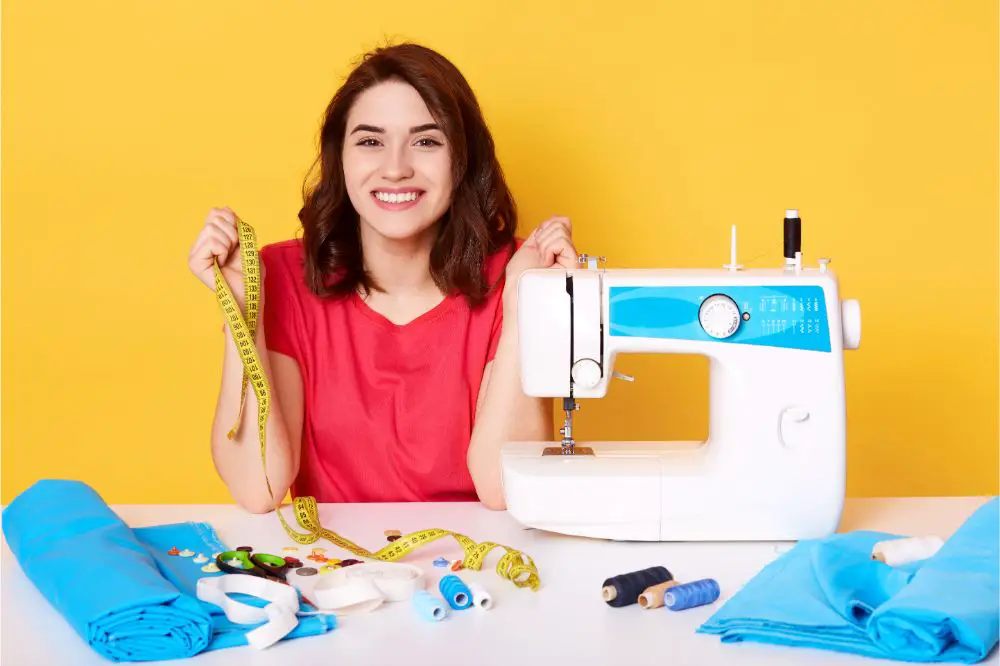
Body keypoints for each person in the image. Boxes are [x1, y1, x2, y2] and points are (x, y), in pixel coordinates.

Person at [187, 43, 578, 513]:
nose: (395, 169)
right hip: (341, 576)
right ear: (340, 158)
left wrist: (523, 303)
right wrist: (241, 314)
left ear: (462, 159)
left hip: (477, 571)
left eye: (427, 141)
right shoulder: (284, 277)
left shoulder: (515, 275)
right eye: (371, 141)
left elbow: (503, 490)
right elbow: (259, 489)